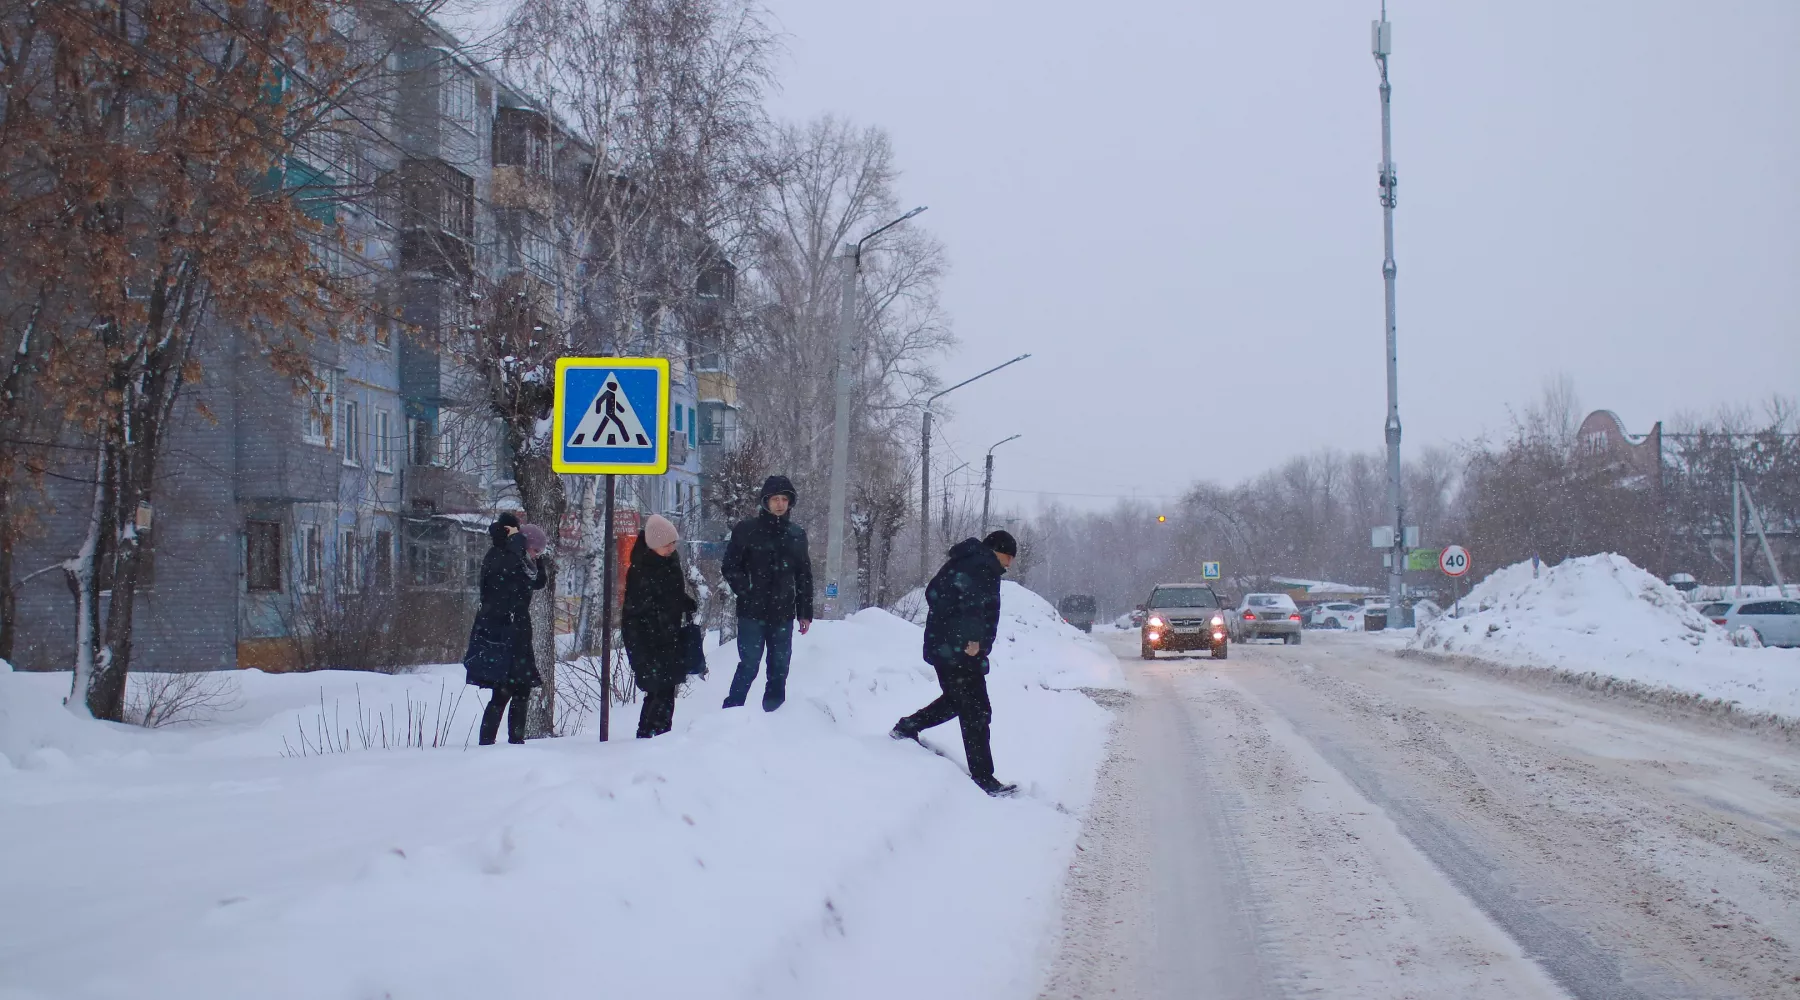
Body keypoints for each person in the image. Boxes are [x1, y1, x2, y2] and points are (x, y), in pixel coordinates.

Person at [891, 530, 1018, 797]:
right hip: (959, 651)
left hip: (947, 646)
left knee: (958, 701)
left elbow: (939, 595)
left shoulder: (968, 562)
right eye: (1009, 556)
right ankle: (984, 777)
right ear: (999, 551)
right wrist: (972, 640)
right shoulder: (981, 566)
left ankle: (907, 727)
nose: (1010, 563)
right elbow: (972, 606)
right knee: (976, 710)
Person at [720, 475, 813, 711]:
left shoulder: (796, 534)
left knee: (779, 666)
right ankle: (730, 714)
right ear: (765, 501)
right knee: (749, 664)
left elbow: (803, 575)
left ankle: (774, 715)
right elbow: (730, 566)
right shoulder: (747, 530)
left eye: (784, 499)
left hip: (783, 612)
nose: (780, 504)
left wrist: (804, 612)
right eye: (775, 499)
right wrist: (746, 590)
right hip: (751, 612)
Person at [462, 512, 549, 745]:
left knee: (520, 691)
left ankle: (514, 742)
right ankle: (490, 745)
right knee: (502, 692)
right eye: (535, 550)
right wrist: (517, 543)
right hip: (503, 634)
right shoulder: (501, 556)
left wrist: (537, 560)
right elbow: (506, 578)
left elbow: (538, 581)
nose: (536, 556)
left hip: (518, 635)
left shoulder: (520, 560)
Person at [621, 514, 697, 739]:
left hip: (669, 636)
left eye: (673, 543)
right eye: (667, 544)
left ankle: (661, 733)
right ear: (654, 544)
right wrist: (640, 643)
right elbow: (636, 611)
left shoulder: (670, 563)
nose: (672, 548)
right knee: (657, 689)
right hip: (648, 639)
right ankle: (648, 734)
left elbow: (670, 594)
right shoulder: (641, 570)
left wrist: (684, 602)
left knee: (666, 689)